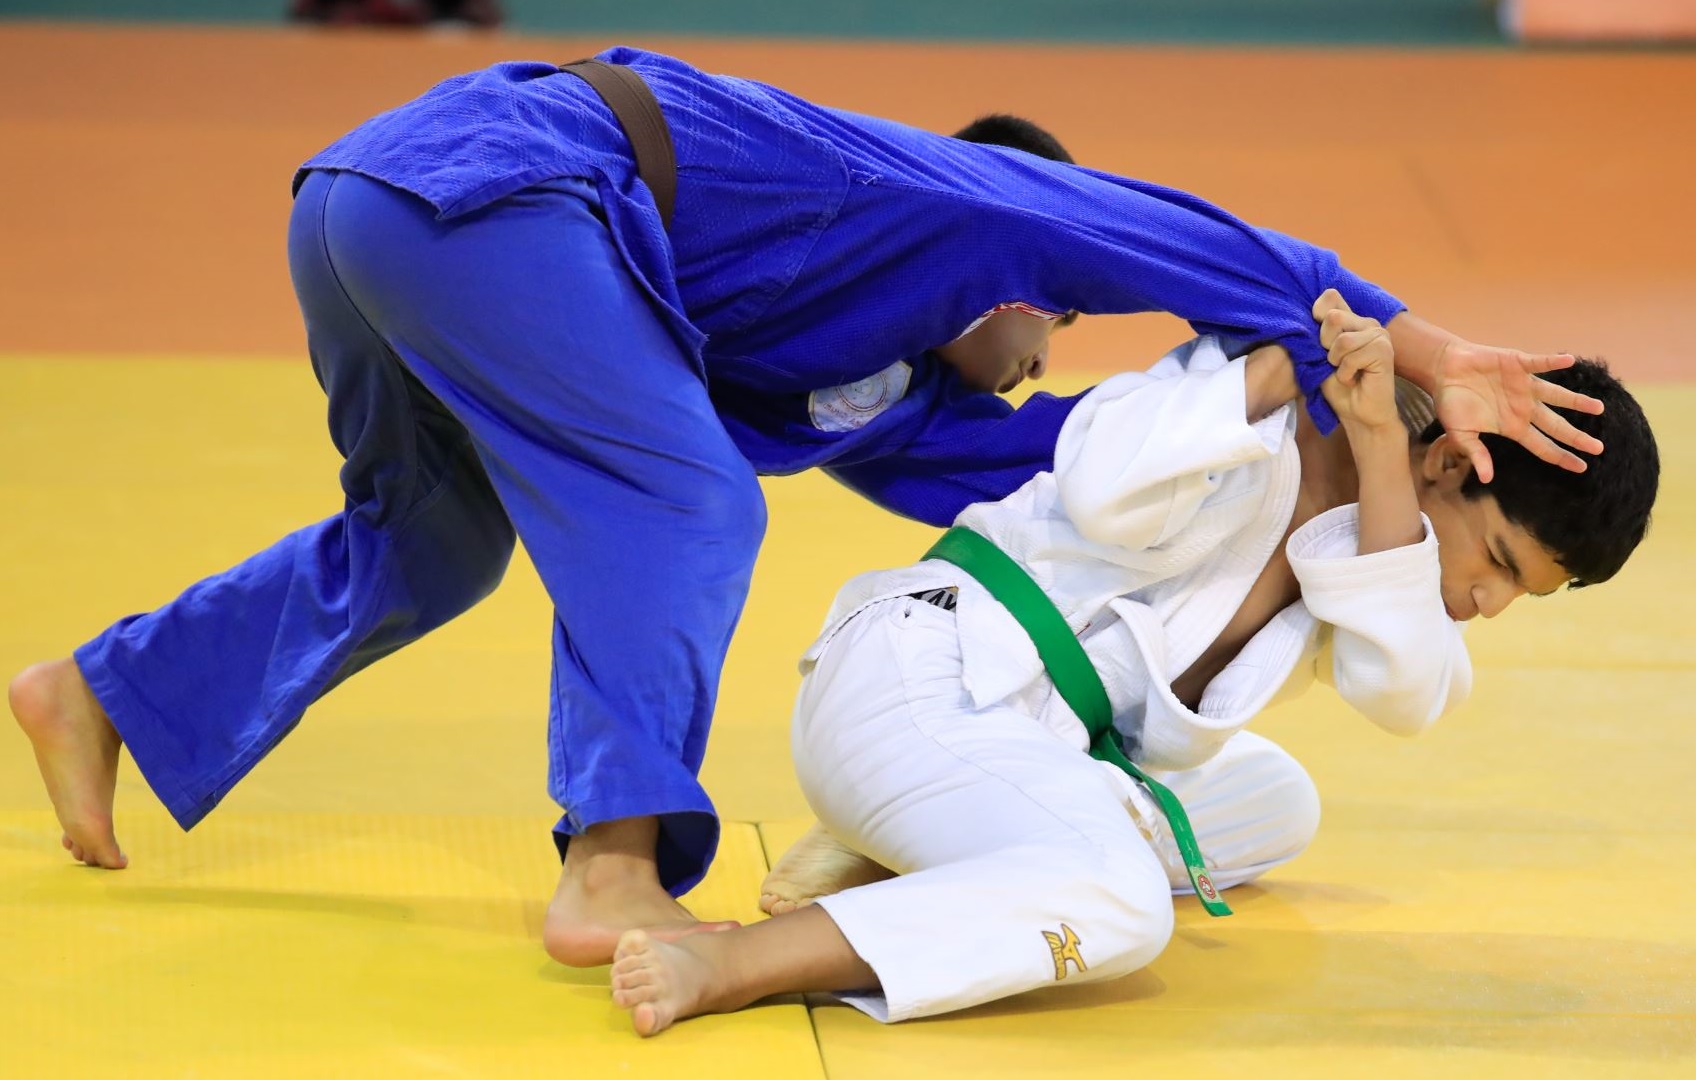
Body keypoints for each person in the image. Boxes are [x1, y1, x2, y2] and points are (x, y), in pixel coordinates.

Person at [8, 47, 1603, 970]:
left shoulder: (876, 391)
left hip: (372, 216)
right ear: (1012, 273)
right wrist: (1416, 347)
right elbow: (1170, 238)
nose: (1028, 368)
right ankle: (613, 859)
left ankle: (110, 693)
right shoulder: (954, 204)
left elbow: (1048, 483)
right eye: (1037, 337)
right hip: (495, 179)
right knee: (690, 506)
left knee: (436, 540)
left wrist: (1301, 474)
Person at [607, 292, 1658, 1034]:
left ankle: (916, 851)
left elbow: (1407, 694)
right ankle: (739, 961)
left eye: (1524, 594)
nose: (1486, 601)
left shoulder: (1379, 534)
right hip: (919, 681)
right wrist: (1278, 371)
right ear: (1453, 460)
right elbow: (1102, 485)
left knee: (1275, 803)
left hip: (1023, 744)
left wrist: (1383, 457)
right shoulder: (1256, 404)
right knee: (1121, 903)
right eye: (1499, 562)